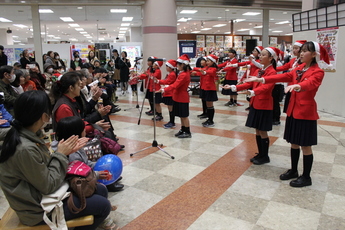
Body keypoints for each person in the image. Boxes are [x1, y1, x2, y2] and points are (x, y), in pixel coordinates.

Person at [0, 90, 114, 230]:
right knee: (103, 206)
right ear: (44, 116)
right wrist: (61, 154)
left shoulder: (27, 135)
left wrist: (65, 154)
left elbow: (44, 170)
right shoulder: (24, 148)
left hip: (42, 195)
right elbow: (48, 185)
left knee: (100, 191)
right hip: (37, 209)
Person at [245, 41, 329, 187]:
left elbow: (311, 84)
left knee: (305, 145)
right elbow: (283, 76)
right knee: (294, 143)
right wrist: (262, 79)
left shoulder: (318, 71)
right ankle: (294, 170)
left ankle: (306, 177)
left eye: (305, 51)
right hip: (293, 111)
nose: (301, 53)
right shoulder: (300, 68)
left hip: (305, 113)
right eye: (301, 50)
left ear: (314, 54)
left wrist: (298, 85)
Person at [222, 47, 279, 165]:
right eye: (261, 55)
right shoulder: (260, 70)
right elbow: (250, 83)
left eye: (263, 55)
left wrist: (252, 92)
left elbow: (267, 87)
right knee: (257, 130)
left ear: (271, 58)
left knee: (263, 131)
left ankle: (265, 156)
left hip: (264, 104)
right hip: (256, 102)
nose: (260, 57)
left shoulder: (272, 72)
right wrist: (234, 88)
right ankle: (261, 153)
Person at [159, 54, 191, 138]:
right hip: (178, 97)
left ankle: (187, 131)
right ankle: (183, 129)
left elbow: (175, 85)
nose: (176, 66)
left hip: (182, 97)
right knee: (181, 115)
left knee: (184, 116)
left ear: (183, 65)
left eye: (178, 65)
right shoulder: (182, 73)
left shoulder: (184, 74)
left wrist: (164, 89)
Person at [197, 54, 219, 127]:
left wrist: (204, 72)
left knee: (210, 105)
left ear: (213, 62)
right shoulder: (207, 67)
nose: (207, 62)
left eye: (208, 61)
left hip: (210, 88)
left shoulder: (213, 69)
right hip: (205, 88)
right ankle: (208, 118)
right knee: (207, 103)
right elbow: (201, 71)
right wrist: (194, 71)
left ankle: (211, 120)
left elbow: (210, 72)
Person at [156, 59, 177, 129]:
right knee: (169, 108)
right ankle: (171, 121)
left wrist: (158, 81)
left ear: (171, 67)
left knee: (171, 108)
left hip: (170, 93)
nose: (166, 68)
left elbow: (167, 82)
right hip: (168, 92)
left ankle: (172, 122)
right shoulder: (170, 74)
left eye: (167, 66)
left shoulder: (172, 74)